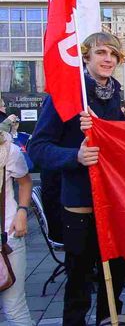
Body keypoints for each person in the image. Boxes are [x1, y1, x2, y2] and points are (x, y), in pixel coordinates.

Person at [28, 32, 125, 326]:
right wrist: (75, 156)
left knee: (114, 283)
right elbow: (38, 148)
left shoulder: (115, 95)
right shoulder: (66, 95)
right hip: (80, 205)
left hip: (113, 204)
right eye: (100, 52)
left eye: (113, 53)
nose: (108, 59)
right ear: (86, 57)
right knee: (79, 286)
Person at [0, 130, 33, 325]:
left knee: (14, 308)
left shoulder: (7, 149)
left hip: (6, 239)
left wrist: (22, 211)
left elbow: (25, 181)